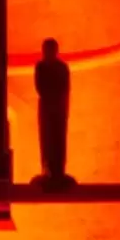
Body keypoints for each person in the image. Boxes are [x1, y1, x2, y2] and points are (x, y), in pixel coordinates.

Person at [34, 37, 71, 181]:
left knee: (59, 139)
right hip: (47, 108)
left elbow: (65, 87)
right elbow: (39, 86)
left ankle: (59, 170)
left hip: (59, 109)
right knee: (46, 139)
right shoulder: (40, 67)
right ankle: (47, 168)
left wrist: (58, 100)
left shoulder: (62, 68)